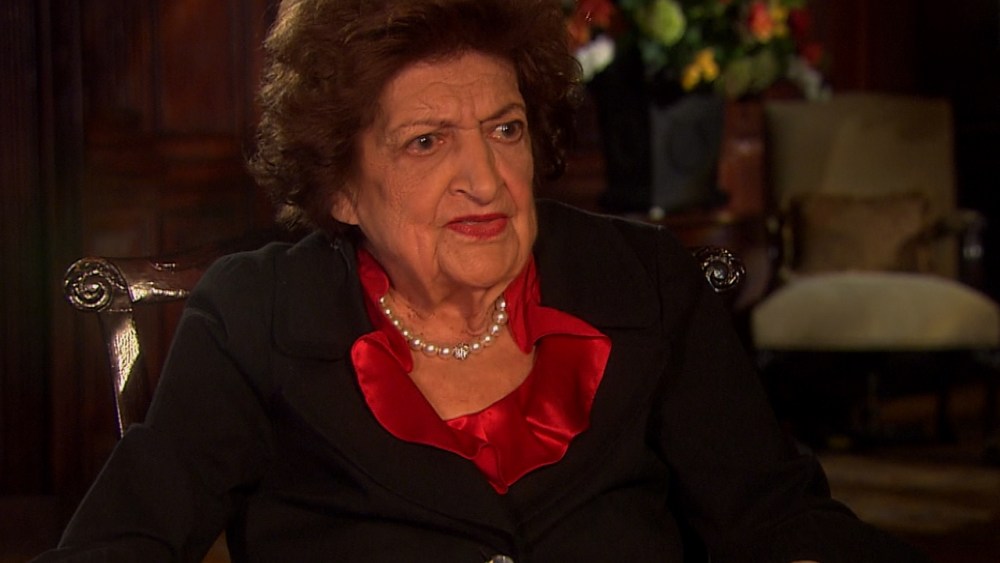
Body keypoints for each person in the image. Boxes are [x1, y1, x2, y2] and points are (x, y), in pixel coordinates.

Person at [35, 0, 931, 561]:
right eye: (427, 142)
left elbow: (776, 520)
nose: (486, 179)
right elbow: (123, 540)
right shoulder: (258, 315)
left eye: (505, 130)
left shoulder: (644, 282)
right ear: (341, 187)